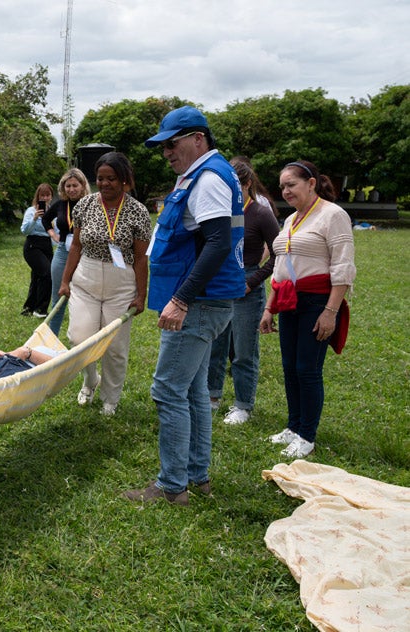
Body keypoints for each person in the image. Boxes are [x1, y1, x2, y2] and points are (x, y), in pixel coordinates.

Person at [123, 106, 245, 506]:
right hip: (205, 302)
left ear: (198, 138)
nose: (166, 153)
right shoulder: (201, 175)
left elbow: (217, 244)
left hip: (199, 304)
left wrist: (180, 299)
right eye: (162, 147)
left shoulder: (209, 178)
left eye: (171, 144)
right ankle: (198, 476)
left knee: (167, 390)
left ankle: (172, 486)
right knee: (192, 390)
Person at [259, 160, 355, 459]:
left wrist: (331, 311)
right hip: (289, 301)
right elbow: (281, 268)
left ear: (311, 183)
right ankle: (293, 425)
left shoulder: (333, 215)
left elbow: (343, 266)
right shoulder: (291, 220)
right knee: (289, 368)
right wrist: (269, 308)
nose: (285, 191)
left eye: (291, 184)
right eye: (282, 187)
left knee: (307, 369)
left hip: (317, 301)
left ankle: (307, 435)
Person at [59, 152, 151, 416]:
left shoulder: (138, 211)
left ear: (124, 180)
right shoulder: (85, 205)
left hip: (120, 284)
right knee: (79, 338)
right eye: (100, 178)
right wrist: (65, 281)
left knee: (115, 348)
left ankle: (111, 398)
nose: (105, 183)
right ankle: (90, 380)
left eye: (112, 178)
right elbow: (75, 246)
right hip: (86, 277)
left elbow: (141, 259)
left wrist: (140, 295)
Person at [207, 158, 281, 425]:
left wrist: (253, 280)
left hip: (248, 282)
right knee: (216, 344)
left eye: (234, 185)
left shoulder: (261, 213)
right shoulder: (219, 209)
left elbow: (278, 254)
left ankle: (242, 405)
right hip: (220, 282)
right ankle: (212, 396)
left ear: (247, 184)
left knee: (243, 349)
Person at [41, 168, 90, 336]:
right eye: (67, 186)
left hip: (86, 253)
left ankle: (81, 337)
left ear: (83, 185)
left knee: (83, 297)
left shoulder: (91, 203)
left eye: (75, 185)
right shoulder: (61, 204)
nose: (71, 189)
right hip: (63, 251)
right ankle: (50, 339)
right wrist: (52, 234)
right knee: (58, 298)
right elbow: (45, 218)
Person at [20, 183, 55, 317]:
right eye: (42, 195)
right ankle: (41, 309)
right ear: (38, 196)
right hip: (32, 246)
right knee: (47, 273)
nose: (45, 198)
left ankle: (29, 307)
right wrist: (34, 218)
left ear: (51, 196)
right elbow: (24, 230)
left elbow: (55, 232)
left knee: (37, 276)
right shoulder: (30, 211)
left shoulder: (53, 211)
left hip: (47, 246)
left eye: (48, 195)